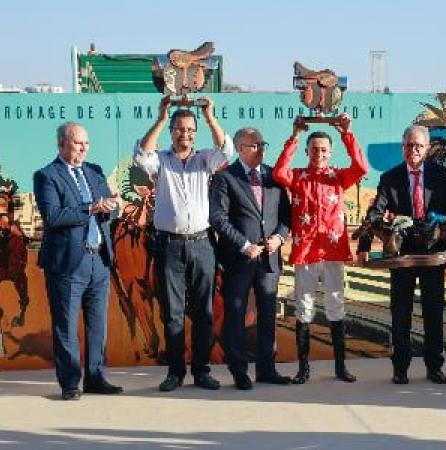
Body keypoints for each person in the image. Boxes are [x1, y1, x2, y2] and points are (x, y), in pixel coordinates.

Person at [357, 125, 446, 385]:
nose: (413, 151)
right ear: (403, 148)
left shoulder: (439, 174)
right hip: (402, 256)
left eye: (418, 146)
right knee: (400, 314)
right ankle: (400, 368)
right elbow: (374, 214)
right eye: (409, 146)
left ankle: (435, 367)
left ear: (426, 149)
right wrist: (363, 246)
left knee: (434, 313)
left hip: (434, 255)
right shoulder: (390, 178)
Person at [133, 96, 233, 392]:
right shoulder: (160, 161)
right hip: (169, 246)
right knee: (173, 312)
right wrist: (162, 117)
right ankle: (175, 372)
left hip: (202, 244)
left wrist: (210, 116)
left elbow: (225, 149)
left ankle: (201, 371)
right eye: (179, 129)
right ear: (172, 131)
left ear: (195, 133)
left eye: (190, 129)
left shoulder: (205, 160)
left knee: (204, 311)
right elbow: (141, 154)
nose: (184, 134)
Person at [272, 114, 368, 384]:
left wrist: (347, 134)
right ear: (307, 151)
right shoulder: (298, 176)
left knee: (336, 306)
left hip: (333, 252)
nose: (319, 154)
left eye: (324, 150)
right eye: (314, 149)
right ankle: (304, 369)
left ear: (330, 152)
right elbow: (279, 172)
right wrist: (295, 136)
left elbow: (360, 167)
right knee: (304, 308)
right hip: (306, 252)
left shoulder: (338, 177)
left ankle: (340, 367)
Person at [34, 122, 123, 400]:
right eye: (77, 143)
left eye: (86, 143)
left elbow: (107, 210)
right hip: (67, 263)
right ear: (62, 144)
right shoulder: (47, 176)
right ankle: (71, 383)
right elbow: (54, 217)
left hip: (98, 260)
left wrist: (112, 206)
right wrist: (91, 207)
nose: (84, 148)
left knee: (98, 325)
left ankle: (96, 378)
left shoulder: (94, 171)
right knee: (66, 326)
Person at [209, 127, 292, 390]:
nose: (261, 149)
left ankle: (267, 369)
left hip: (269, 260)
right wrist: (244, 245)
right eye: (255, 145)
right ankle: (239, 371)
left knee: (267, 315)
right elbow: (218, 219)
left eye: (263, 144)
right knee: (235, 315)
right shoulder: (225, 178)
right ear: (241, 148)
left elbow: (286, 216)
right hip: (239, 260)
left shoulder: (273, 176)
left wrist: (279, 238)